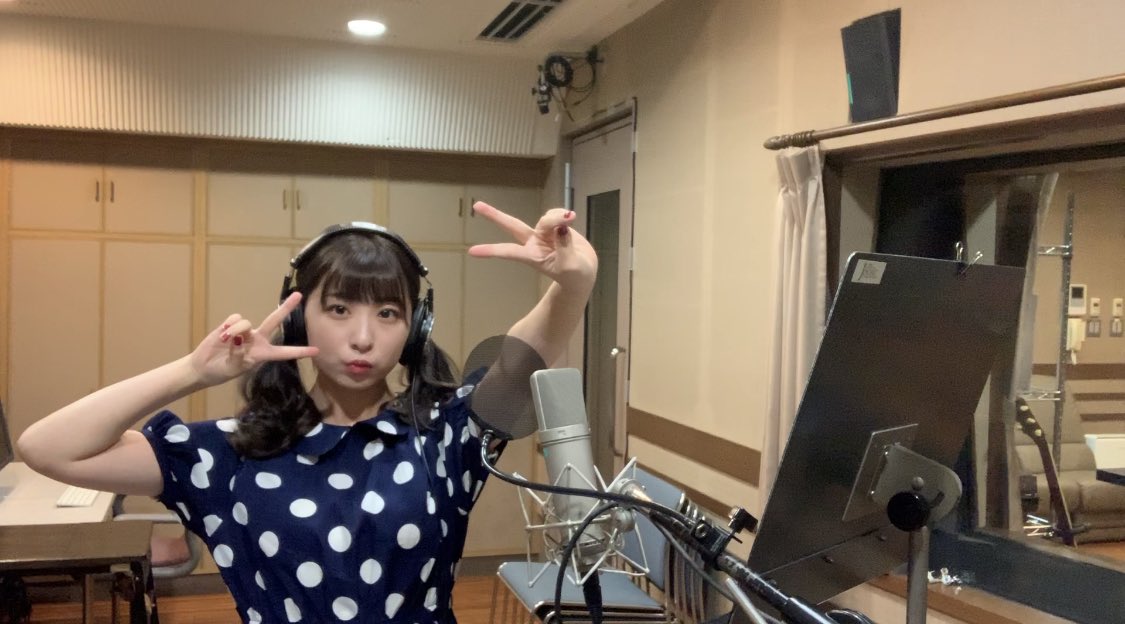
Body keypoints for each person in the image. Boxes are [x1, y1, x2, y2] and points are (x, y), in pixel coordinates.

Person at [17, 202, 597, 623]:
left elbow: (523, 359)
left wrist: (575, 283)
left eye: (388, 313)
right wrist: (192, 371)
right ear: (298, 320)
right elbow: (46, 448)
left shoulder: (444, 437)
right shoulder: (230, 454)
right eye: (339, 309)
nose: (363, 337)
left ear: (415, 328)